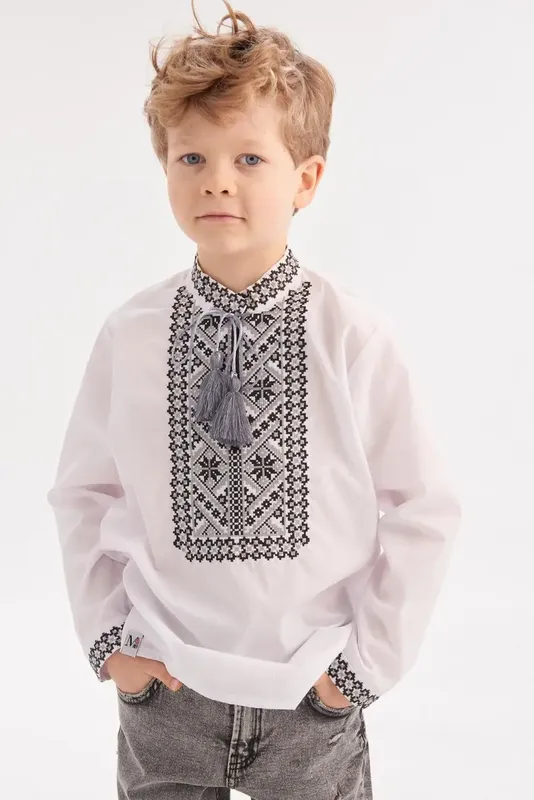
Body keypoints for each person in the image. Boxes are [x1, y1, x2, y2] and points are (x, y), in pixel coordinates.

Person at [46, 1, 462, 797]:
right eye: (191, 157)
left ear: (306, 179)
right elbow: (83, 492)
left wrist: (361, 669)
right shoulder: (132, 335)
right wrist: (109, 644)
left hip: (311, 702)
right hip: (166, 692)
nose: (217, 180)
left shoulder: (351, 335)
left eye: (249, 158)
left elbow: (424, 508)